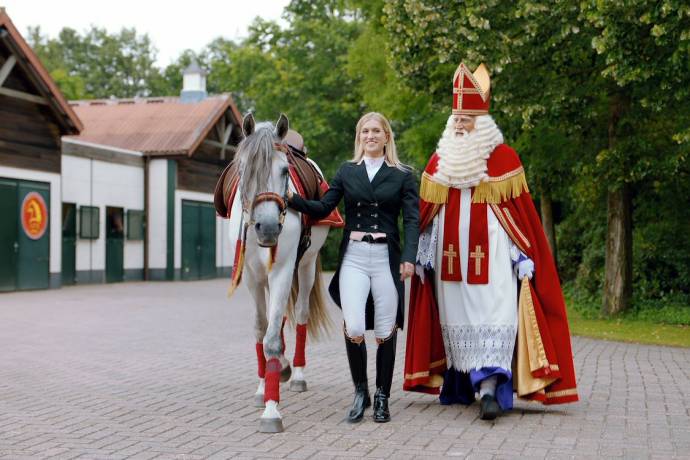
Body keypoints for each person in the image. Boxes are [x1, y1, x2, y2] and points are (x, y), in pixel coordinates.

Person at [403, 63, 578, 420]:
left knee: (496, 315)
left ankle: (489, 389)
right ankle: (468, 384)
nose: (459, 124)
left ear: (482, 122)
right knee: (459, 323)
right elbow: (430, 212)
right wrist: (423, 252)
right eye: (456, 117)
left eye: (467, 118)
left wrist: (521, 254)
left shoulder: (504, 159)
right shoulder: (441, 161)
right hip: (451, 265)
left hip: (495, 259)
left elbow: (516, 217)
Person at [287, 112, 419, 423]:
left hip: (387, 257)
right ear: (359, 138)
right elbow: (323, 207)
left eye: (376, 131)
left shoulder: (403, 175)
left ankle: (383, 396)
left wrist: (409, 257)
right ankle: (361, 391)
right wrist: (291, 199)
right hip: (355, 258)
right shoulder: (347, 171)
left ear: (387, 136)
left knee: (386, 328)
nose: (370, 136)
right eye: (365, 132)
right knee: (356, 326)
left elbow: (412, 220)